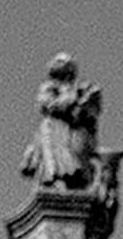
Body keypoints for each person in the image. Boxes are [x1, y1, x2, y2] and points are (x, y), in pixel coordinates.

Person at [21, 53, 101, 189]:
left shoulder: (82, 88)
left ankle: (78, 180)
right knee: (55, 153)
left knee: (79, 153)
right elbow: (47, 104)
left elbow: (92, 113)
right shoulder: (49, 87)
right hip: (56, 128)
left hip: (76, 130)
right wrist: (72, 99)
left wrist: (86, 102)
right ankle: (56, 178)